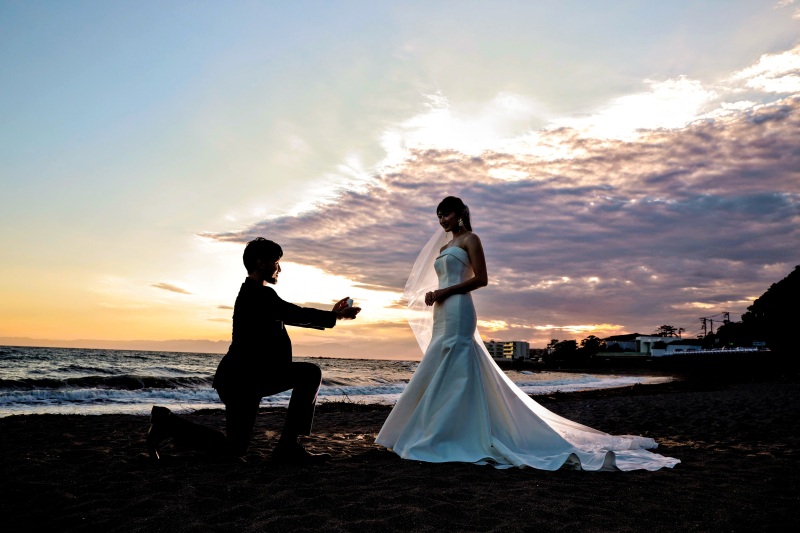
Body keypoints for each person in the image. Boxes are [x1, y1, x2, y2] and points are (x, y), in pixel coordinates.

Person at [375, 196, 679, 471]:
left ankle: (457, 432)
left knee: (458, 362)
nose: (443, 221)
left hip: (459, 308)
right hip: (441, 310)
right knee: (439, 363)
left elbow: (481, 279)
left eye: (447, 214)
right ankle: (430, 430)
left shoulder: (471, 239)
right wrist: (435, 295)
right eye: (439, 216)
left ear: (460, 214)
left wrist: (445, 291)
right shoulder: (443, 248)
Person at [147, 237, 361, 464]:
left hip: (246, 379)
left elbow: (292, 315)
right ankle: (288, 447)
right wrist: (334, 316)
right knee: (310, 374)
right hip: (242, 380)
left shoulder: (253, 293)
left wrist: (331, 316)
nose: (279, 268)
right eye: (276, 262)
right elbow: (295, 314)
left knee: (235, 448)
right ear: (261, 262)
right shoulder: (258, 295)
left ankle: (167, 423)